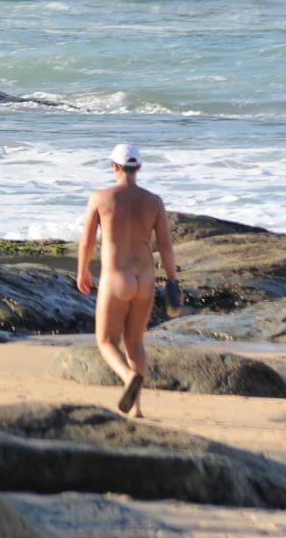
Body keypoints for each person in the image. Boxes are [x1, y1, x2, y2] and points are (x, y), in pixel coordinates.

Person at [75, 143, 178, 418]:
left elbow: (86, 241)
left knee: (106, 341)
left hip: (116, 277)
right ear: (139, 168)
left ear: (114, 167)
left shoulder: (101, 198)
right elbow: (165, 246)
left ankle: (127, 376)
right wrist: (172, 279)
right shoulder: (154, 201)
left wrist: (82, 270)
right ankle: (136, 408)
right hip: (145, 278)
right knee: (135, 342)